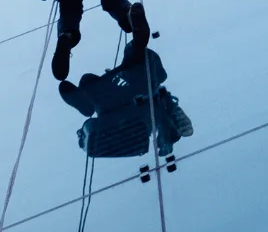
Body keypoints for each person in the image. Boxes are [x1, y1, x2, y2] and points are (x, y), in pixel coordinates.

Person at [59, 42, 193, 158]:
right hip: (130, 110)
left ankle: (167, 122)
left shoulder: (116, 87)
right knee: (88, 81)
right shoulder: (130, 80)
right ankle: (167, 120)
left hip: (127, 112)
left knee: (88, 81)